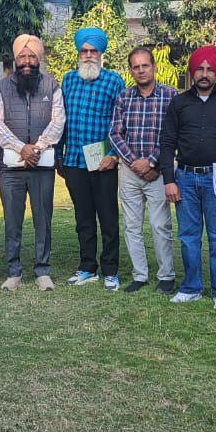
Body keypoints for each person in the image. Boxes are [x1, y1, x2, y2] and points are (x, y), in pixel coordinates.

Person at [158, 46, 216, 307]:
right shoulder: (179, 103)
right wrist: (169, 180)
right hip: (185, 177)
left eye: (209, 69)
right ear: (192, 72)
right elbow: (167, 142)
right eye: (200, 69)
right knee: (188, 236)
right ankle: (191, 287)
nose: (204, 74)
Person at [0, 35, 65, 291]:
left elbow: (58, 121)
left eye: (32, 56)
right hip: (11, 168)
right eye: (22, 56)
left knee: (43, 220)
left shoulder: (51, 85)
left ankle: (43, 271)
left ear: (39, 58)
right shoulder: (1, 87)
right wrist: (21, 147)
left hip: (42, 167)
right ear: (15, 58)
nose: (27, 61)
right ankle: (14, 272)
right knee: (12, 221)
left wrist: (37, 147)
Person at [58, 27, 125, 290]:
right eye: (84, 51)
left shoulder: (113, 81)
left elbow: (121, 124)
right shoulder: (68, 80)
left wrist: (113, 155)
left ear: (100, 53)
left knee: (107, 217)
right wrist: (59, 155)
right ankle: (87, 267)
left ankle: (110, 270)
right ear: (78, 53)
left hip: (103, 162)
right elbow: (61, 120)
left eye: (93, 51)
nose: (88, 55)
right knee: (83, 219)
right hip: (74, 160)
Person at [108, 46, 178, 294]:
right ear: (130, 70)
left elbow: (174, 134)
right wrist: (134, 162)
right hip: (130, 170)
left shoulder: (171, 96)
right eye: (135, 67)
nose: (141, 70)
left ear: (154, 66)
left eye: (145, 65)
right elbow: (115, 133)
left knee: (160, 225)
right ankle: (139, 275)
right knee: (132, 225)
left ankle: (166, 276)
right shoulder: (124, 98)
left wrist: (151, 162)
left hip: (159, 170)